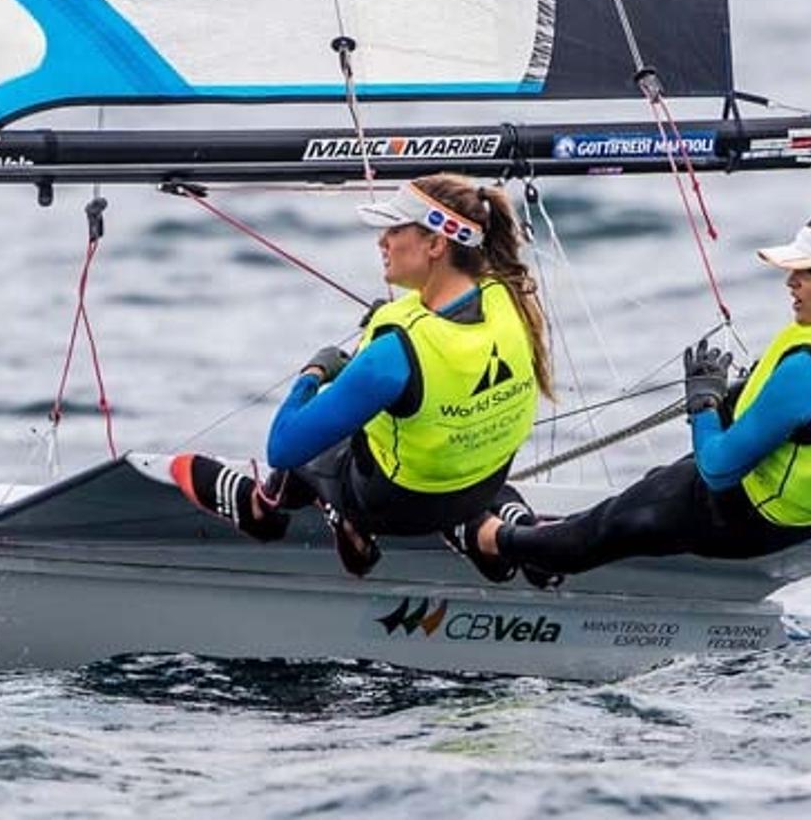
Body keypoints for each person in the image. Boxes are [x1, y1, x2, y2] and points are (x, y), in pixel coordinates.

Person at [472, 209, 811, 580]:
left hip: (736, 519)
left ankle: (504, 541)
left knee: (604, 531)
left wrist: (702, 402)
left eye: (807, 273)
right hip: (799, 523)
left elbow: (716, 468)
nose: (791, 284)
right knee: (654, 486)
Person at [166, 175, 553, 576]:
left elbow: (283, 445)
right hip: (480, 486)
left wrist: (314, 372)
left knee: (310, 449)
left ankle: (263, 509)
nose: (381, 241)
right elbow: (445, 352)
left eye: (395, 229)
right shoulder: (512, 296)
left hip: (397, 506)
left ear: (437, 244)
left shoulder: (395, 352)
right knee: (432, 431)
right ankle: (489, 533)